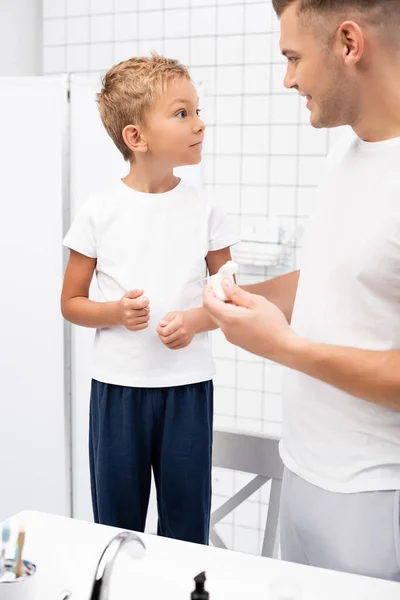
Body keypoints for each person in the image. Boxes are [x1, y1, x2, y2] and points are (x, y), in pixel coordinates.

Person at [203, 0, 400, 581]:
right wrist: (214, 312)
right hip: (303, 472)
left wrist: (282, 347)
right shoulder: (346, 153)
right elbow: (332, 278)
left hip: (375, 495)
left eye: (293, 57)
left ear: (347, 42)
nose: (287, 78)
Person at [61, 54, 238, 544]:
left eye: (197, 110)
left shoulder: (206, 209)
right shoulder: (100, 210)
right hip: (117, 391)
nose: (200, 124)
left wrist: (197, 321)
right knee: (117, 529)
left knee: (186, 528)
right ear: (136, 138)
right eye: (182, 113)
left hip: (188, 390)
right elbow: (71, 302)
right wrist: (116, 312)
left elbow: (231, 300)